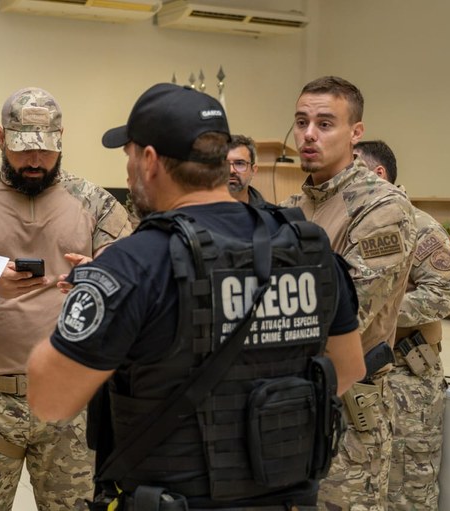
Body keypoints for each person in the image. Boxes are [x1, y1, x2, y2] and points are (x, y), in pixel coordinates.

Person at [27, 83, 365, 510]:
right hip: (284, 496)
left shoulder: (134, 264)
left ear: (149, 161)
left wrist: (82, 302)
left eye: (129, 154)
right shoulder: (308, 247)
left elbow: (50, 400)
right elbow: (348, 369)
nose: (129, 169)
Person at [0, 86, 133, 511]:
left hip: (69, 401)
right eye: (22, 150)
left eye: (46, 151)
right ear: (0, 138)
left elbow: (131, 269)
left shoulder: (93, 202)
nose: (34, 161)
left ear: (62, 138)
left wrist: (100, 270)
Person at [281, 77, 417, 510]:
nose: (308, 134)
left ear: (355, 132)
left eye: (325, 123)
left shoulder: (382, 207)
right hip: (291, 401)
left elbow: (347, 312)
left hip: (347, 413)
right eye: (302, 122)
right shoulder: (295, 206)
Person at [354, 139, 450, 510]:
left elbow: (441, 295)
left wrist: (378, 310)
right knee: (370, 484)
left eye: (354, 169)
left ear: (377, 174)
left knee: (411, 488)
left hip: (409, 379)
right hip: (366, 375)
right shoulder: (358, 226)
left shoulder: (418, 225)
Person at [226, 134, 268, 206]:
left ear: (253, 170)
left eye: (239, 163)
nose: (231, 170)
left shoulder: (269, 215)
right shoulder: (200, 212)